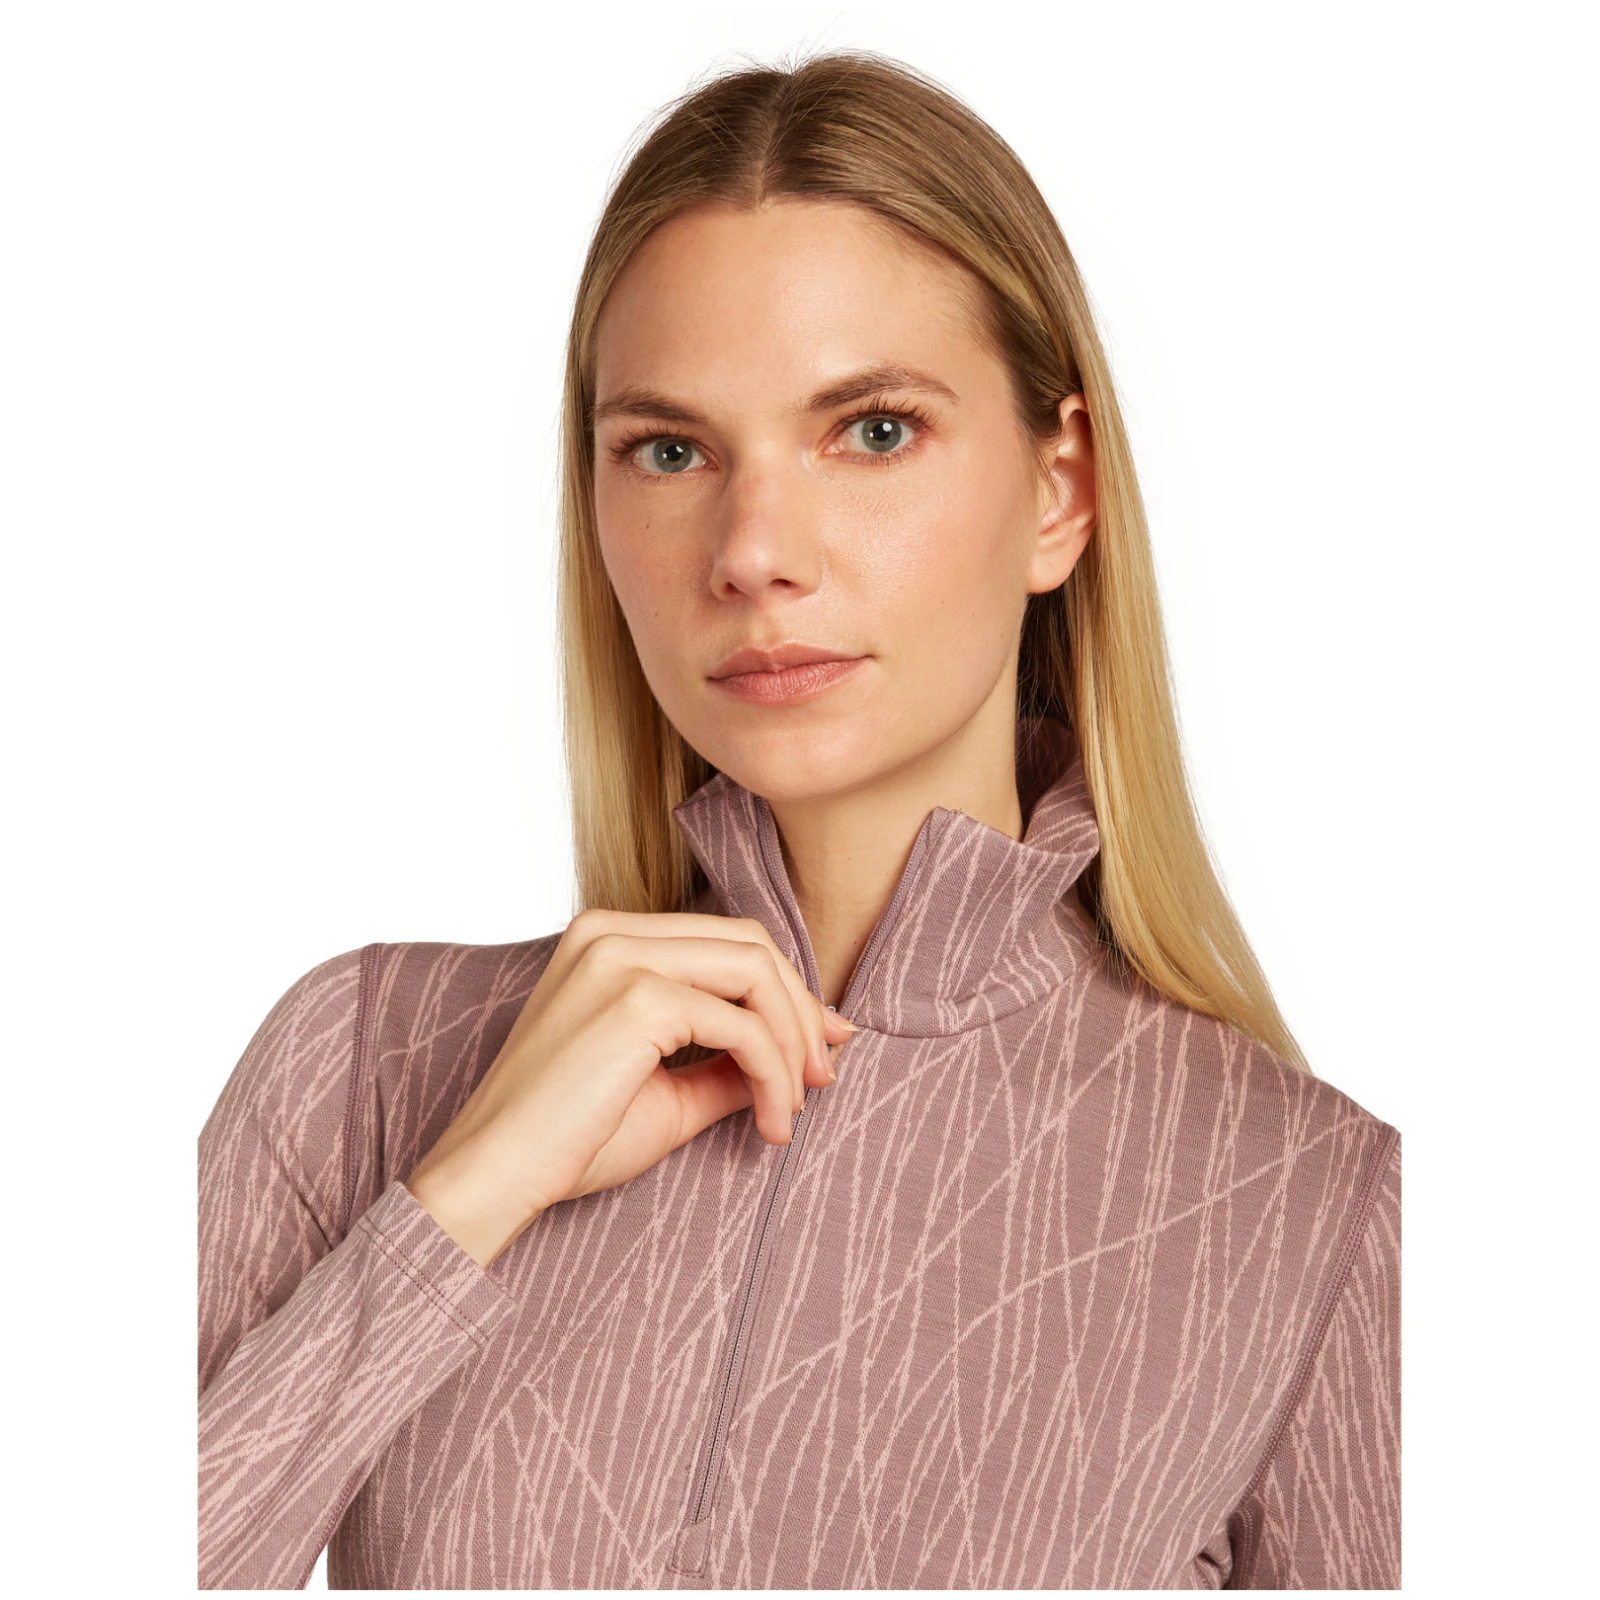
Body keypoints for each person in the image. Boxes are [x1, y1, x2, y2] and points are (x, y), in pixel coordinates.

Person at [197, 50, 1400, 1591]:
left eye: (873, 430)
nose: (755, 549)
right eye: (671, 450)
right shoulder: (361, 1069)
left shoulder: (1308, 1205)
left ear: (1061, 491)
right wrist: (461, 1201)